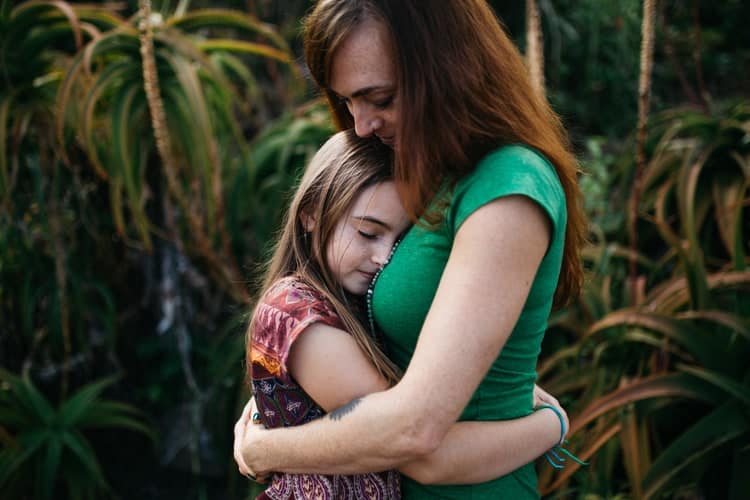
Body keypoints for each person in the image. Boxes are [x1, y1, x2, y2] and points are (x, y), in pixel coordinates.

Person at [236, 0, 587, 497]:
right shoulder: (421, 170)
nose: (360, 126)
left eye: (379, 98)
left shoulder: (507, 190)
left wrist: (264, 450)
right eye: (347, 101)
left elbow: (415, 434)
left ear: (447, 66)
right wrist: (271, 402)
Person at [240, 129, 568, 499]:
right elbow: (417, 448)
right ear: (311, 215)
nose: (383, 258)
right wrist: (553, 425)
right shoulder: (302, 319)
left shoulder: (340, 304)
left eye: (397, 241)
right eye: (367, 233)